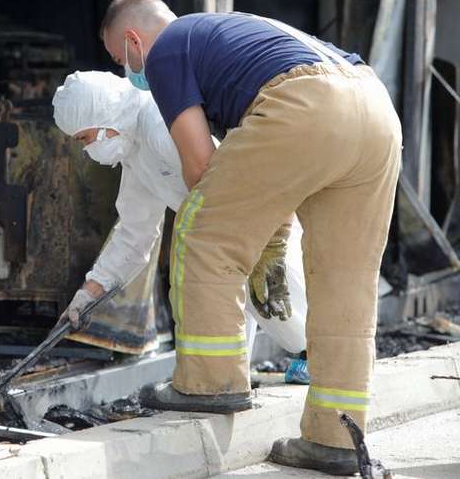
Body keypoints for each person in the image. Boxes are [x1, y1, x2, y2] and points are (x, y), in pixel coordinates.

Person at [98, 0, 402, 476]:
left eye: (120, 58)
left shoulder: (168, 49)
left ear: (134, 40)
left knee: (203, 231)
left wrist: (253, 234)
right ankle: (337, 439)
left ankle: (210, 382)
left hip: (306, 103)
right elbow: (264, 167)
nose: (126, 71)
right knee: (345, 280)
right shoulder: (223, 30)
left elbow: (202, 169)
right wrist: (270, 232)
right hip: (374, 109)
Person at [52, 70, 309, 379]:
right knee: (253, 320)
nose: (86, 149)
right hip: (227, 243)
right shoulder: (135, 148)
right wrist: (90, 292)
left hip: (255, 227)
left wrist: (245, 243)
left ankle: (322, 361)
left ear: (102, 114)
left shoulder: (160, 125)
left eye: (85, 137)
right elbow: (134, 233)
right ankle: (225, 382)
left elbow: (226, 182)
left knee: (292, 317)